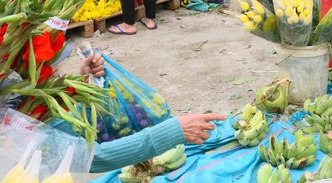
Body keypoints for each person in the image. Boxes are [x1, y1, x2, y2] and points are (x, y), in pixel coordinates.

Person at [33, 52, 228, 173]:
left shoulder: (34, 104)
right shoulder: (19, 123)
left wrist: (81, 85)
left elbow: (67, 128)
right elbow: (91, 157)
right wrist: (175, 130)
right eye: (54, 74)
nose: (59, 78)